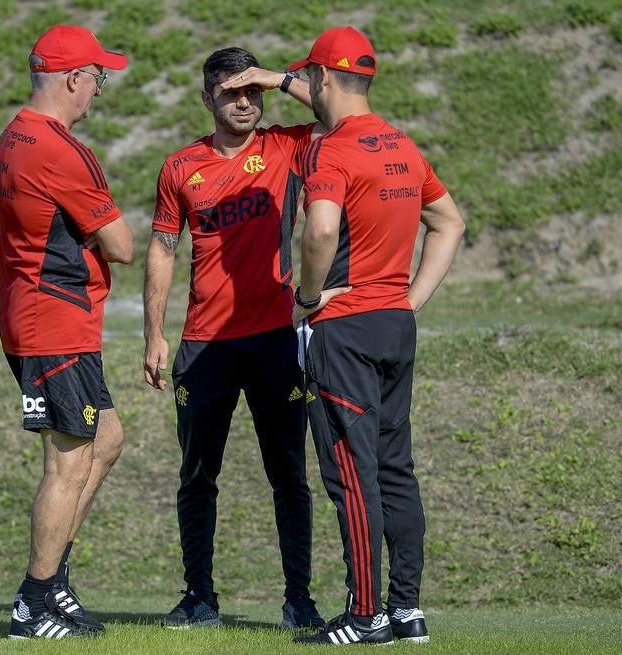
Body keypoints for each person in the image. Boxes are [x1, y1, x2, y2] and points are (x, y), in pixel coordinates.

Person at [286, 27, 466, 646]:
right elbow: (449, 223)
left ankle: (365, 616)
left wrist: (307, 298)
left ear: (323, 78)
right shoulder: (402, 146)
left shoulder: (330, 151)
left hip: (344, 330)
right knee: (394, 469)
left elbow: (320, 231)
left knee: (351, 474)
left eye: (307, 77)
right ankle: (406, 610)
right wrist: (409, 300)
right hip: (395, 325)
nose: (307, 86)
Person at [142, 47, 326, 631]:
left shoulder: (287, 147)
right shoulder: (180, 167)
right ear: (207, 99)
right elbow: (162, 249)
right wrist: (153, 333)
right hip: (205, 347)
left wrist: (277, 78)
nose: (244, 102)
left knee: (290, 477)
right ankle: (199, 597)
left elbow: (336, 112)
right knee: (197, 476)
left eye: (252, 92)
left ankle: (299, 600)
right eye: (230, 92)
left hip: (276, 340)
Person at [0, 24, 134, 640]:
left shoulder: (16, 132)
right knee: (67, 463)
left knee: (107, 440)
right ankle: (34, 601)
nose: (99, 88)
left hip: (42, 316)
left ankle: (54, 582)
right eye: (98, 76)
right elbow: (122, 245)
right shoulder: (59, 149)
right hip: (53, 322)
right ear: (74, 78)